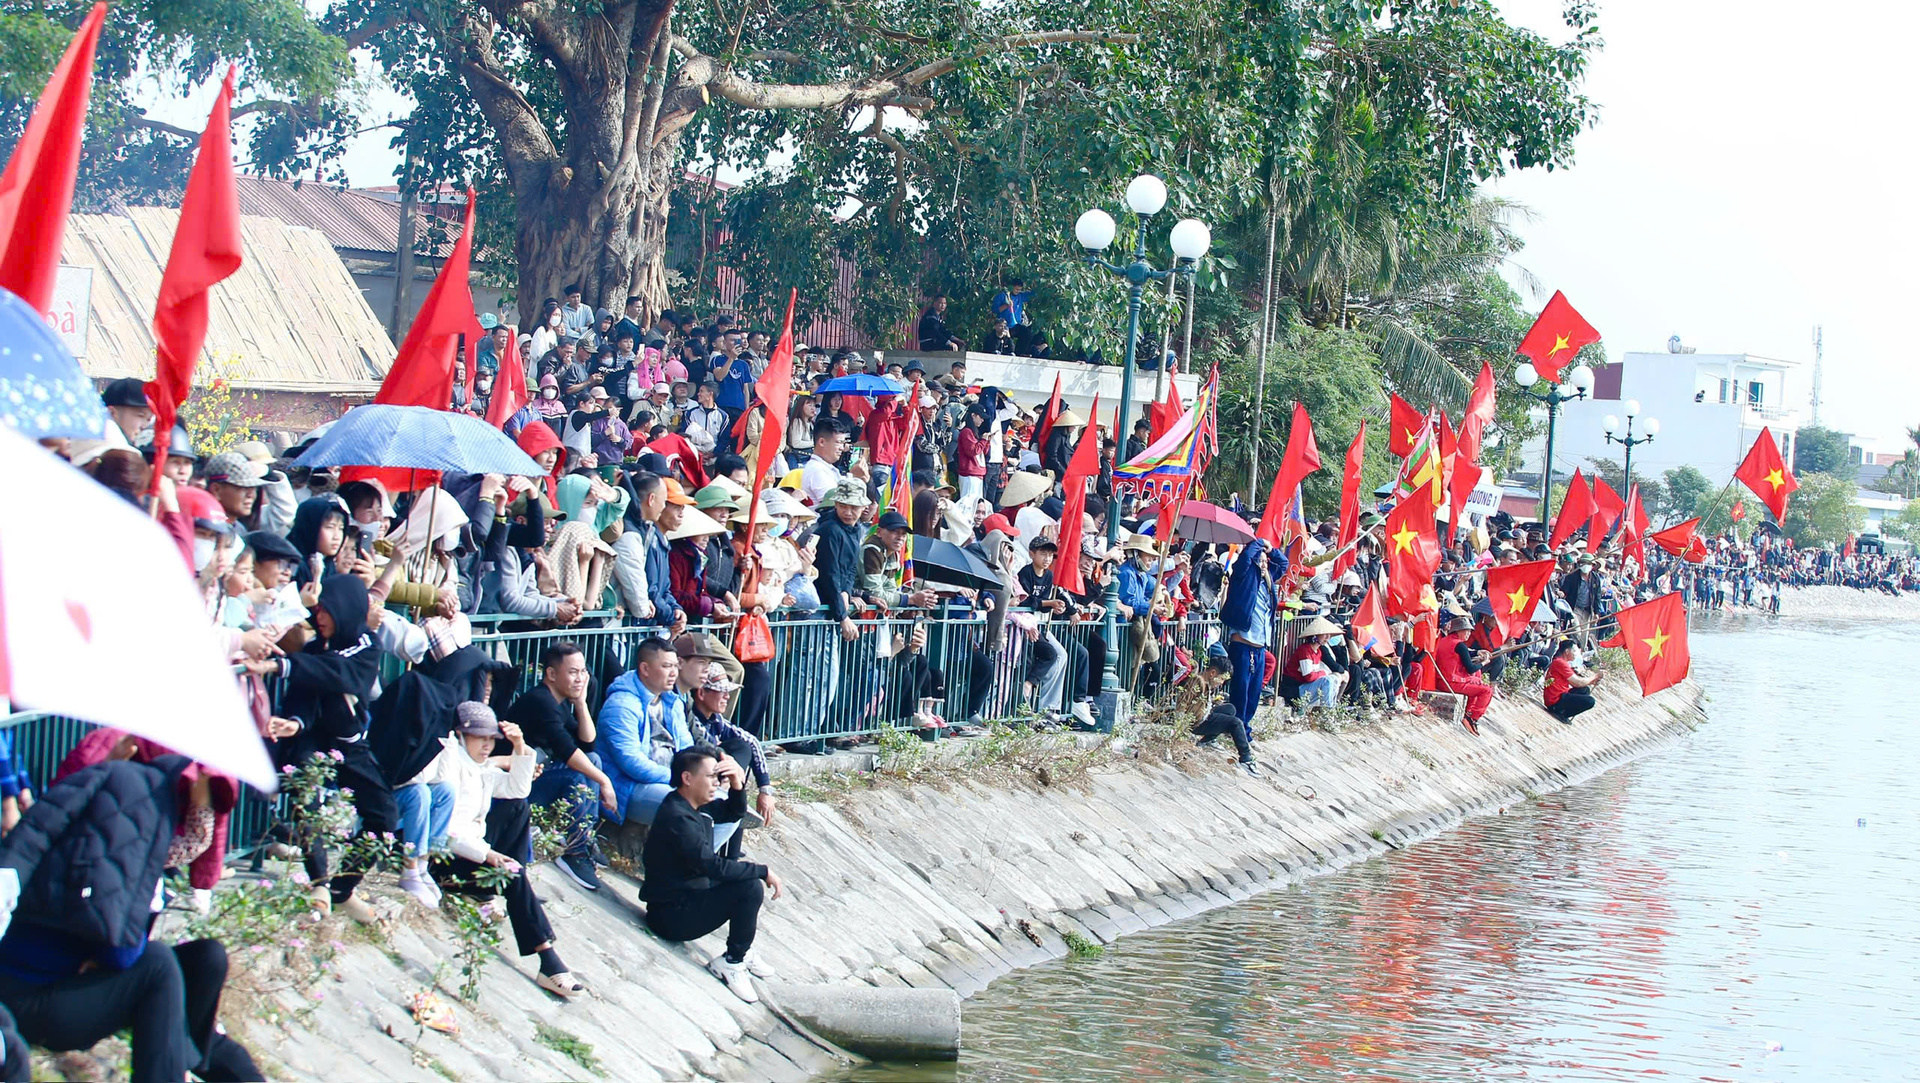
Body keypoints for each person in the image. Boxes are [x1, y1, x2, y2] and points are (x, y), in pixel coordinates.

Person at [0, 757, 262, 1082]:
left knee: (206, 957)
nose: (206, 814)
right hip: (32, 993)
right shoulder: (140, 809)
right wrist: (110, 953)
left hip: (46, 978)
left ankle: (187, 1058)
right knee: (157, 965)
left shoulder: (117, 792)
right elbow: (119, 950)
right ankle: (183, 1062)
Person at [420, 703, 584, 997]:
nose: (487, 745)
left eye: (492, 739)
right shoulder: (450, 762)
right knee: (511, 872)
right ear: (460, 734)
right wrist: (489, 855)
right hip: (444, 860)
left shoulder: (478, 766)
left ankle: (510, 888)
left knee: (518, 807)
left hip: (473, 852)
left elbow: (518, 790)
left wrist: (519, 745)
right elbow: (447, 831)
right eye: (480, 738)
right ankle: (548, 960)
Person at [640, 745, 784, 1003]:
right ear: (687, 778)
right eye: (710, 777)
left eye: (719, 778)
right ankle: (733, 961)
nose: (716, 783)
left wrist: (738, 784)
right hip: (671, 917)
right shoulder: (677, 817)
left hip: (691, 894)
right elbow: (712, 866)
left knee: (746, 881)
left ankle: (742, 950)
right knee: (749, 886)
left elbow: (734, 812)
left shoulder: (696, 806)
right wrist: (762, 871)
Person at [508, 641, 619, 891]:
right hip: (514, 789)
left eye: (583, 672)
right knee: (578, 776)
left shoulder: (558, 701)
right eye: (573, 672)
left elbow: (587, 745)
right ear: (551, 674)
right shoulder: (540, 701)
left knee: (594, 761)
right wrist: (604, 781)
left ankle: (585, 837)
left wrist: (580, 703)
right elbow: (568, 753)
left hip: (537, 776)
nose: (580, 679)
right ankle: (574, 851)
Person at [1433, 613, 1495, 732]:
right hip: (1451, 682)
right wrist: (1484, 662)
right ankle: (1472, 717)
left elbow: (1465, 653)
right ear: (1460, 631)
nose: (1469, 634)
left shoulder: (1445, 640)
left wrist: (1477, 652)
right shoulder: (1460, 645)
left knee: (1477, 677)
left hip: (1441, 680)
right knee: (1486, 690)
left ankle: (1469, 711)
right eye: (1467, 631)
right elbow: (1470, 667)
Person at [1543, 639, 1600, 723]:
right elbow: (1577, 683)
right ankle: (1561, 713)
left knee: (1585, 690)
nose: (1575, 654)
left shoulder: (1561, 662)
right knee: (1590, 701)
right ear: (1566, 651)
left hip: (1560, 695)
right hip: (1555, 700)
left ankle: (1562, 711)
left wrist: (1592, 680)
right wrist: (1595, 676)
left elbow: (1576, 683)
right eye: (1574, 651)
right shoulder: (1560, 663)